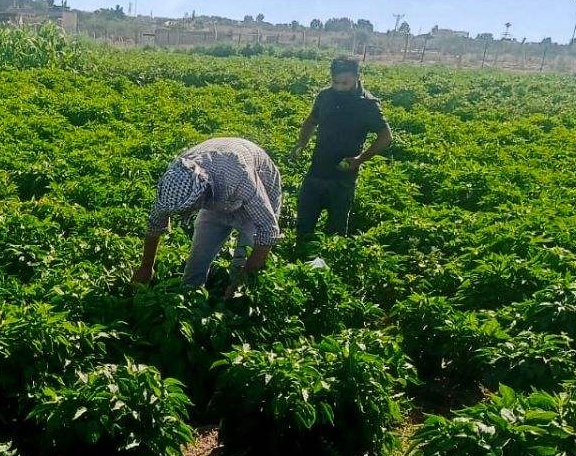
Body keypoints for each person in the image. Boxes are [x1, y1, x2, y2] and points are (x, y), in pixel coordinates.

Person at [131, 137, 282, 296]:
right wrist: (146, 266)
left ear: (200, 197)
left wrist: (242, 281)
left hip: (258, 189)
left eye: (187, 210)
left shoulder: (238, 175)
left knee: (243, 260)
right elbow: (155, 223)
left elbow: (268, 230)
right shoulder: (176, 177)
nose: (184, 215)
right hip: (219, 194)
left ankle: (235, 299)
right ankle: (191, 294)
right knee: (199, 255)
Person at [291, 57, 392, 240]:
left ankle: (328, 265)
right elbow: (312, 121)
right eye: (335, 82)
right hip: (316, 172)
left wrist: (359, 159)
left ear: (356, 77)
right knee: (303, 228)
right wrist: (302, 143)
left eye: (344, 83)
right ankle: (301, 259)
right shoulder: (325, 96)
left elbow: (386, 137)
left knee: (335, 235)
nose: (339, 87)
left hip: (342, 180)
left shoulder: (367, 104)